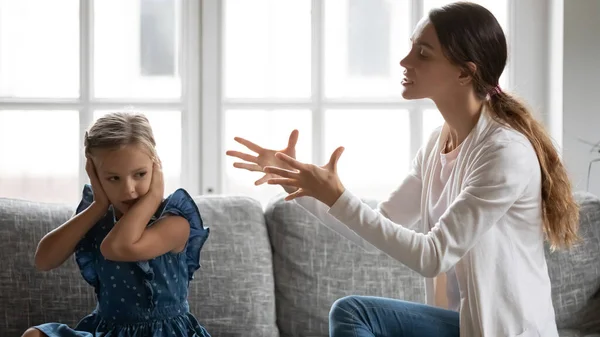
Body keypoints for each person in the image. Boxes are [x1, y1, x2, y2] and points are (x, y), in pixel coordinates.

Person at [225, 2, 580, 336]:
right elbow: (380, 224)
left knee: (352, 312)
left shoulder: (504, 153)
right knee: (351, 312)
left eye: (422, 53)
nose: (404, 61)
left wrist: (338, 196)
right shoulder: (437, 144)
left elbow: (433, 256)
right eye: (411, 48)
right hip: (461, 324)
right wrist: (301, 184)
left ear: (464, 72)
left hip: (503, 331)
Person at [22, 112, 211, 337]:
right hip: (107, 331)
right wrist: (99, 205)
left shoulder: (174, 223)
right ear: (95, 176)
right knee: (34, 335)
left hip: (164, 332)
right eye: (113, 178)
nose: (128, 189)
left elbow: (118, 247)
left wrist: (152, 198)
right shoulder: (98, 217)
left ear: (155, 166)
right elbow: (44, 260)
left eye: (140, 174)